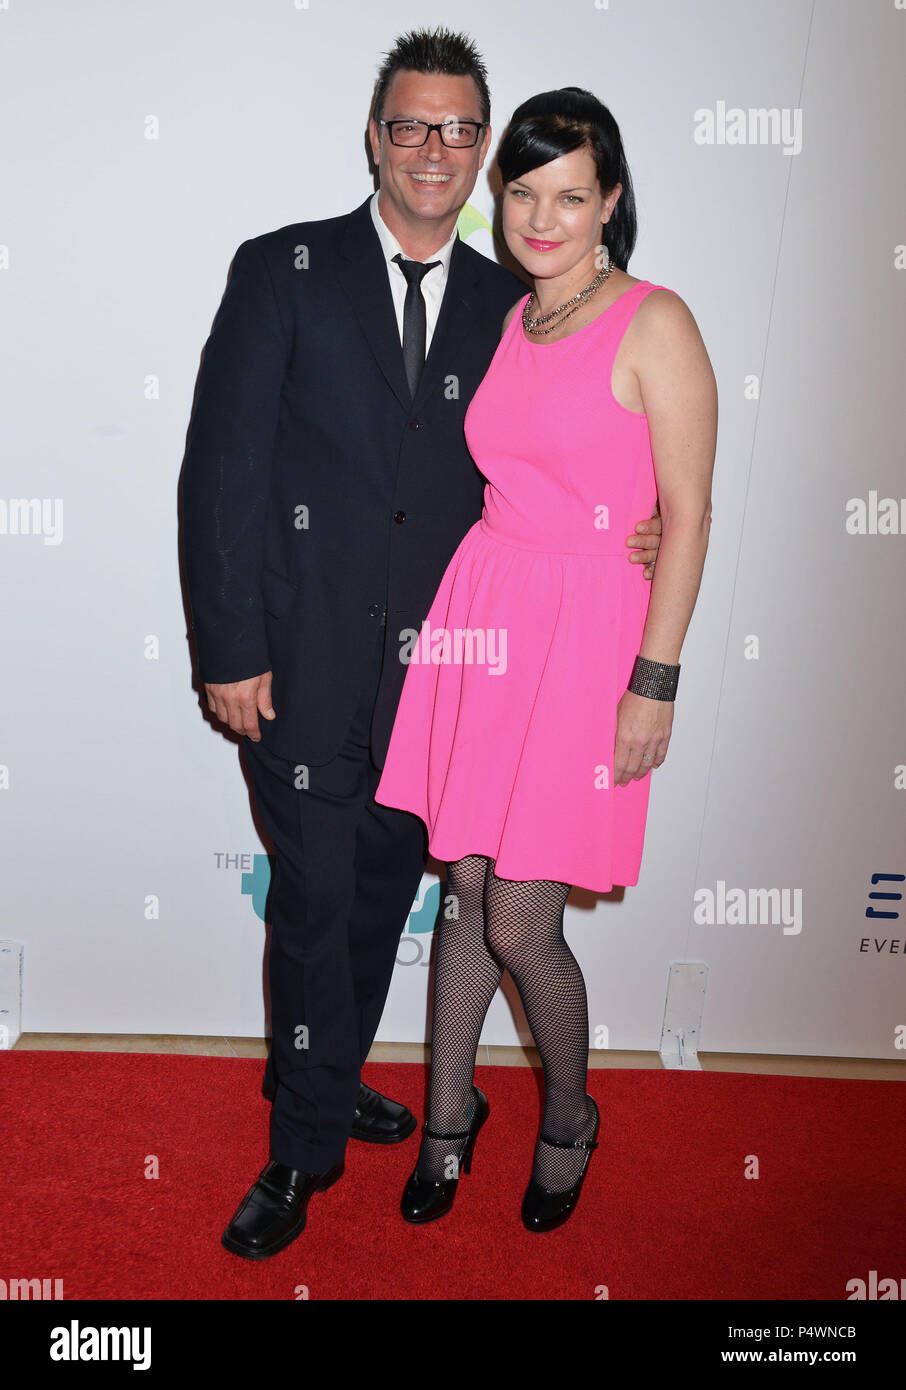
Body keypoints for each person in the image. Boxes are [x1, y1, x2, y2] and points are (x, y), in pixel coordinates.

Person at [179, 30, 663, 1261]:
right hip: (300, 660)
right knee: (313, 903)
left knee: (384, 897)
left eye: (460, 129)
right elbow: (222, 475)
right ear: (377, 137)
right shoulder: (282, 269)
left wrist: (640, 530)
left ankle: (333, 1080)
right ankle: (301, 1149)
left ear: (486, 148)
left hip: (455, 683)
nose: (435, 149)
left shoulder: (521, 300)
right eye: (412, 125)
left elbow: (575, 448)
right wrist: (229, 648)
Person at [374, 86, 717, 1233]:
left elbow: (692, 512)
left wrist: (653, 680)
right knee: (465, 888)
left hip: (584, 642)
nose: (544, 215)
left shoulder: (655, 320)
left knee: (519, 918)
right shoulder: (508, 318)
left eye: (571, 194)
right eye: (524, 191)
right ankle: (448, 1119)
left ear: (611, 201)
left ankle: (569, 1117)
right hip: (487, 615)